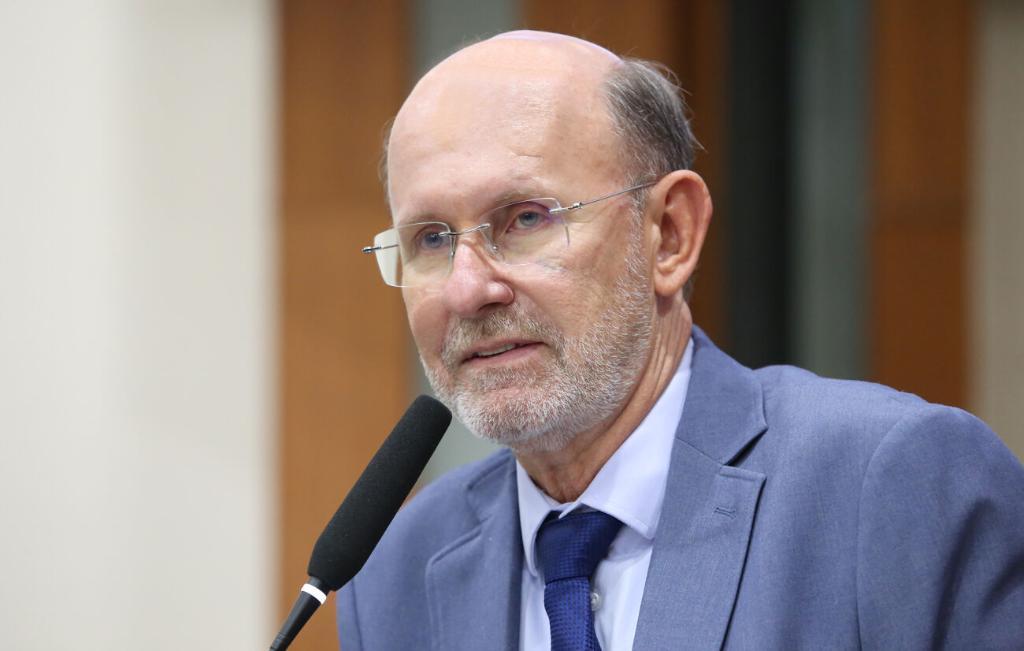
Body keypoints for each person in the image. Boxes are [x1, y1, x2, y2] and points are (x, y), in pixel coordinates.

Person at [338, 31, 1024, 650]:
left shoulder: (891, 484)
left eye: (525, 219)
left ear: (670, 234)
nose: (466, 290)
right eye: (431, 239)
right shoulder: (394, 571)